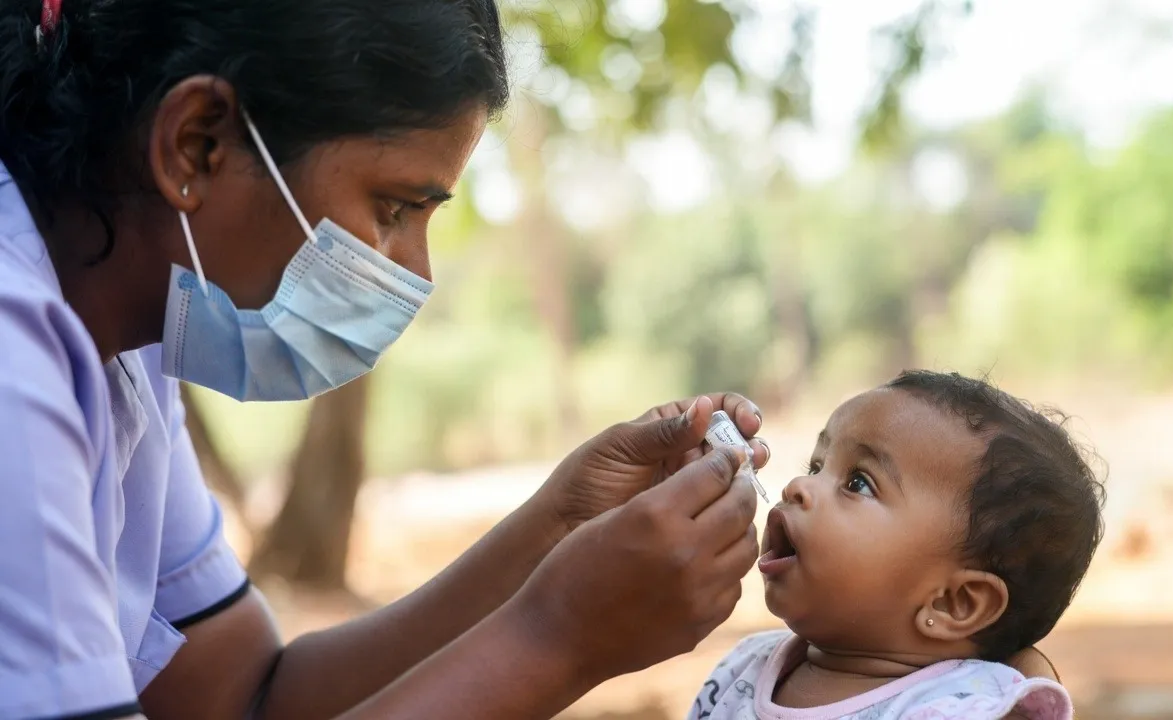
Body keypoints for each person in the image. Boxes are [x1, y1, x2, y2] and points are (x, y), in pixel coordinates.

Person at [0, 1, 1060, 718]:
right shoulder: (13, 362)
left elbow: (250, 697)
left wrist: (560, 524)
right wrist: (556, 637)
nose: (411, 266)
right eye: (392, 206)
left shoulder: (120, 358)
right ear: (198, 144)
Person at [687, 371, 1106, 720]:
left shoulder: (957, 710)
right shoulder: (741, 668)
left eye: (857, 483)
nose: (798, 486)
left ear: (952, 602)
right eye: (816, 465)